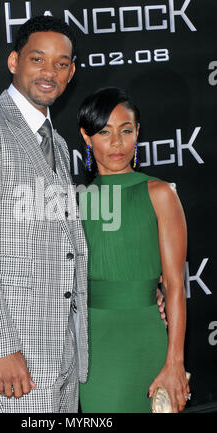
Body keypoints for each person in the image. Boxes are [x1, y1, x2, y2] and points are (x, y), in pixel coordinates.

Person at [0, 16, 165, 413]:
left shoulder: (58, 144)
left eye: (62, 63)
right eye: (38, 59)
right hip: (14, 355)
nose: (50, 72)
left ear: (72, 72)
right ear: (14, 61)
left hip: (64, 348)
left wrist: (144, 292)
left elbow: (66, 247)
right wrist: (0, 347)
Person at [78, 87, 190, 413]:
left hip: (145, 337)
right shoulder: (72, 202)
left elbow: (173, 286)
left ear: (137, 132)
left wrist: (174, 362)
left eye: (126, 131)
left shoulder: (159, 194)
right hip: (92, 346)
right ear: (87, 137)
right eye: (104, 132)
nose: (117, 143)